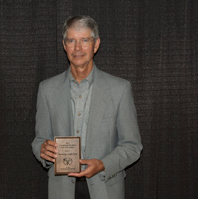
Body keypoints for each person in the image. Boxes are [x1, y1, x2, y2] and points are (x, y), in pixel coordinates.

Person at [31, 15, 142, 199]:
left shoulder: (120, 89)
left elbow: (132, 146)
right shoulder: (46, 89)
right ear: (64, 45)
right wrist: (43, 151)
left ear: (96, 44)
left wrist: (103, 164)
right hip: (62, 191)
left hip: (105, 188)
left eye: (84, 40)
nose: (78, 48)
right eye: (71, 40)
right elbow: (39, 140)